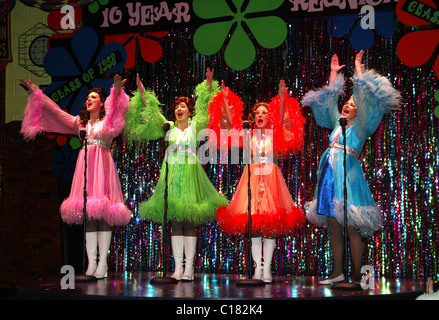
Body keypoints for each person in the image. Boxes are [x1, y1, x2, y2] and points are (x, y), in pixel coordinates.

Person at [301, 51, 402, 284]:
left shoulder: (361, 128)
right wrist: (333, 75)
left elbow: (363, 98)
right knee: (334, 227)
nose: (347, 105)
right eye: (346, 103)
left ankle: (357, 276)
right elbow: (328, 106)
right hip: (328, 177)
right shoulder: (338, 124)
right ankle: (338, 272)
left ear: (359, 110)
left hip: (348, 176)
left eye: (352, 104)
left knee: (352, 228)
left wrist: (358, 71)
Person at [20, 75, 132, 279]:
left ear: (101, 102)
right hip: (86, 169)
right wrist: (37, 94)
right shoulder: (80, 123)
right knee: (89, 215)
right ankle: (91, 263)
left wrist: (116, 91)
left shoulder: (108, 122)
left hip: (103, 167)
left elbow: (118, 111)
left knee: (103, 214)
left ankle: (102, 265)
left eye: (93, 97)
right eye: (87, 97)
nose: (88, 100)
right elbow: (55, 113)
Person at [124, 69, 228, 281]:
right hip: (171, 177)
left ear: (189, 111)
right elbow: (152, 111)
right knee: (175, 222)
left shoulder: (195, 125)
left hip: (191, 175)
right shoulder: (168, 127)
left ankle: (189, 268)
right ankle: (177, 267)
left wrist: (208, 86)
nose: (180, 109)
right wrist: (143, 93)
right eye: (177, 107)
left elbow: (205, 107)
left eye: (183, 107)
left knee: (189, 221)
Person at [211, 79, 306, 283]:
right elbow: (230, 124)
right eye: (258, 113)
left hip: (271, 179)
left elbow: (283, 121)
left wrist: (281, 100)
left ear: (269, 117)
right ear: (253, 117)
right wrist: (225, 100)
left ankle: (267, 270)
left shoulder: (275, 134)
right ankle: (256, 269)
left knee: (270, 224)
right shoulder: (248, 134)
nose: (260, 115)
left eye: (265, 112)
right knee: (253, 225)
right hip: (252, 178)